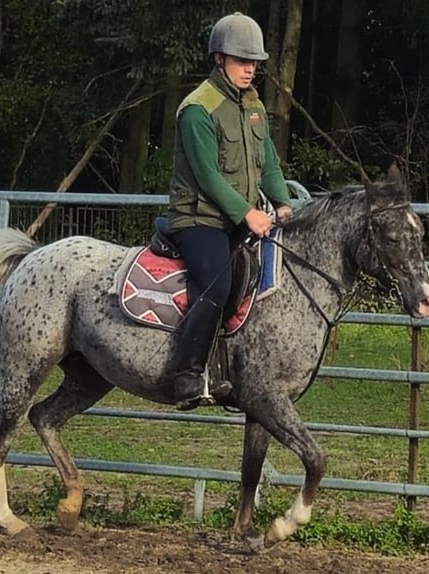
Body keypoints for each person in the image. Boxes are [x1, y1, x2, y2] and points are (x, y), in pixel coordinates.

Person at [165, 11, 293, 410]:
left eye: (254, 62)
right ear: (219, 59)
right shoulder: (197, 109)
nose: (250, 69)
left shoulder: (252, 107)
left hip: (238, 220)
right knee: (217, 284)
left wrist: (282, 200)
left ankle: (239, 372)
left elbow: (268, 163)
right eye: (242, 61)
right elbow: (208, 176)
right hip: (198, 219)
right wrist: (248, 214)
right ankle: (185, 375)